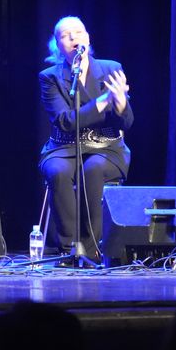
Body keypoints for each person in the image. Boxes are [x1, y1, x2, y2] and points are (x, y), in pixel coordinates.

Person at [39, 16, 133, 258]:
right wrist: (103, 102)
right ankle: (69, 249)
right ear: (57, 45)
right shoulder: (50, 77)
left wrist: (121, 105)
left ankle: (90, 250)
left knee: (92, 169)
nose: (73, 37)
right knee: (57, 172)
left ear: (88, 39)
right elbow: (65, 121)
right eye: (65, 35)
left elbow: (127, 123)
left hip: (106, 147)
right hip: (63, 147)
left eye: (78, 32)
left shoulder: (111, 68)